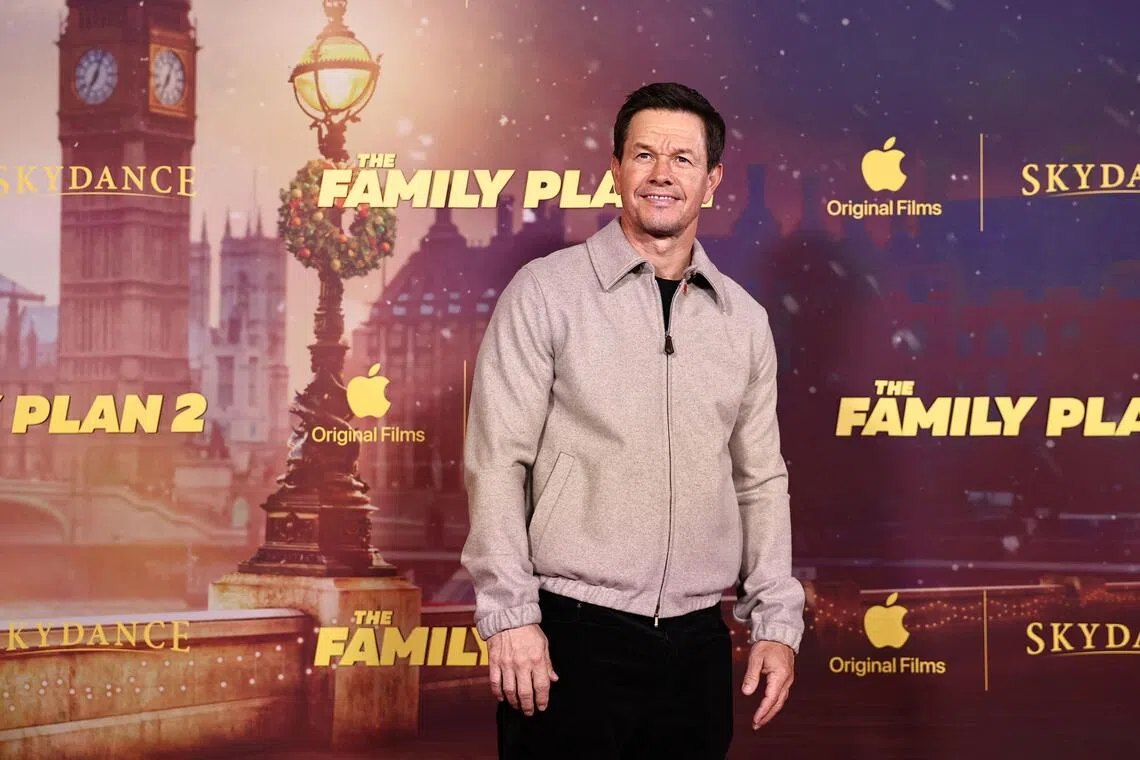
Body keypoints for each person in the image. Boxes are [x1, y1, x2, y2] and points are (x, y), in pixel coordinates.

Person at [462, 82, 805, 760]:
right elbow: (496, 460)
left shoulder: (744, 321)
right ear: (616, 169)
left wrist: (775, 622)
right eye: (644, 155)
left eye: (682, 159)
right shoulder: (546, 292)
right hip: (569, 633)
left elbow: (760, 480)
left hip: (697, 646)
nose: (661, 175)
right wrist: (510, 617)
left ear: (711, 180)